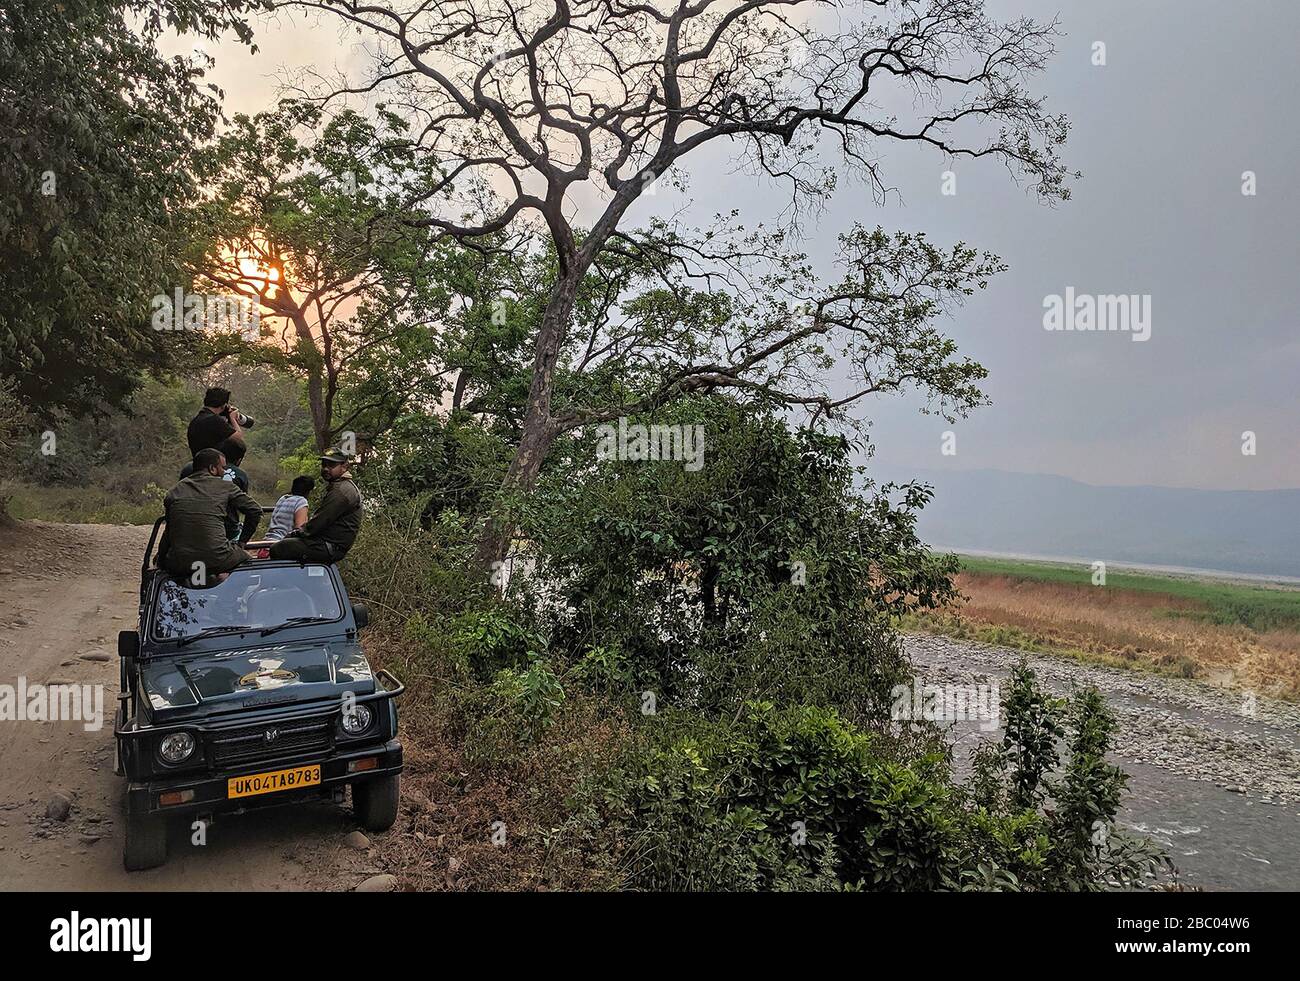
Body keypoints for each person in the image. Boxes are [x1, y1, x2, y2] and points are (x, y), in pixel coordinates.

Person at [157, 448, 263, 586]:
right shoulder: (225, 486)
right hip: (218, 558)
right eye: (222, 468)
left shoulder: (175, 491)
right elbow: (255, 510)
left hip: (180, 562)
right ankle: (229, 602)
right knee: (247, 563)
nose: (224, 471)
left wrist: (161, 559)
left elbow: (169, 532)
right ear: (212, 468)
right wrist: (242, 542)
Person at [269, 448, 361, 564]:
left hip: (329, 546)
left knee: (279, 548)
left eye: (331, 465)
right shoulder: (339, 487)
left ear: (344, 467)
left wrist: (296, 533)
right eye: (324, 465)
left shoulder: (341, 491)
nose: (326, 469)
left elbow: (320, 521)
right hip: (326, 543)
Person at [186, 386, 248, 460]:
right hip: (212, 462)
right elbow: (238, 439)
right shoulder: (214, 420)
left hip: (197, 460)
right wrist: (232, 418)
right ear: (223, 406)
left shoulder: (196, 420)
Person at [266, 475, 316, 542]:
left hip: (268, 539)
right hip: (282, 543)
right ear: (308, 491)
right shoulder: (301, 501)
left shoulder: (283, 498)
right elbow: (299, 529)